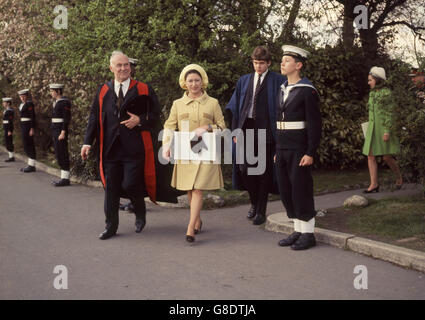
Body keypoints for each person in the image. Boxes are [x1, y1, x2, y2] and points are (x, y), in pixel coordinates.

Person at [81, 51, 164, 240]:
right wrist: (87, 142)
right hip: (110, 148)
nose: (123, 68)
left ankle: (140, 211)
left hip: (134, 148)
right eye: (119, 65)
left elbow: (157, 116)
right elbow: (94, 117)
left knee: (130, 183)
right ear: (111, 68)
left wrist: (140, 120)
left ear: (130, 67)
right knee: (111, 188)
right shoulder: (103, 90)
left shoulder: (143, 89)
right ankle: (110, 226)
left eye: (126, 65)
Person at [162, 64, 226, 242]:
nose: (194, 84)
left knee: (197, 188)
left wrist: (207, 127)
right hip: (185, 150)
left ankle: (190, 228)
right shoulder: (177, 104)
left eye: (197, 80)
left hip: (206, 151)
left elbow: (222, 127)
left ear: (202, 81)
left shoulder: (212, 103)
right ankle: (197, 220)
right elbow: (169, 126)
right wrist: (166, 145)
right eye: (190, 81)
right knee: (190, 189)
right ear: (185, 82)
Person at [225, 46, 285, 225]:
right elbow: (235, 108)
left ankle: (261, 210)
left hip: (266, 130)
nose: (258, 67)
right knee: (244, 170)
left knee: (264, 172)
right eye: (255, 63)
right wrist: (235, 130)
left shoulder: (278, 80)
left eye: (261, 63)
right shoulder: (244, 80)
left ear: (268, 63)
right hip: (246, 129)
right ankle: (253, 202)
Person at [275, 45, 322, 250]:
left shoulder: (307, 91)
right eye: (282, 59)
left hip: (299, 149)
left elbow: (314, 124)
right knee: (286, 190)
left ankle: (308, 233)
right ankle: (297, 229)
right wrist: (277, 150)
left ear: (299, 65)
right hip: (283, 148)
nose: (282, 63)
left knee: (301, 188)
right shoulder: (282, 88)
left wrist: (310, 152)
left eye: (287, 60)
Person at [362, 66, 402, 192]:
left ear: (378, 80)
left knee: (387, 157)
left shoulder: (387, 93)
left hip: (383, 129)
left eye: (370, 80)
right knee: (370, 156)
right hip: (372, 129)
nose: (368, 83)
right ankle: (374, 184)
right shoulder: (372, 93)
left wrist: (387, 131)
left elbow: (390, 113)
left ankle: (399, 177)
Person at [119, 57, 139, 213]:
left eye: (129, 66)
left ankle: (135, 202)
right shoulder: (118, 87)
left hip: (135, 139)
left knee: (133, 178)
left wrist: (139, 121)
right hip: (118, 140)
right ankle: (132, 201)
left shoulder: (140, 89)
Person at [49, 84, 72, 187]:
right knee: (58, 152)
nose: (51, 93)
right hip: (55, 129)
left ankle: (65, 179)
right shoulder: (56, 102)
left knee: (62, 152)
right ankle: (63, 177)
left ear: (58, 91)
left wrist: (63, 132)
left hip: (60, 131)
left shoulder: (64, 102)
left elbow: (66, 119)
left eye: (52, 91)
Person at [17, 89, 37, 172]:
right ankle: (30, 164)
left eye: (24, 96)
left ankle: (32, 165)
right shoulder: (21, 105)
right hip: (23, 126)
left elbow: (32, 116)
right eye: (21, 96)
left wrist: (32, 128)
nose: (22, 98)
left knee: (29, 144)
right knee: (26, 145)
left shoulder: (29, 104)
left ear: (27, 96)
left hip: (28, 126)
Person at [2, 97, 15, 162]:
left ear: (8, 103)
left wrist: (9, 130)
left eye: (4, 102)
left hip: (8, 128)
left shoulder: (10, 111)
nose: (3, 103)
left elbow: (10, 121)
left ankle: (11, 157)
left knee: (9, 142)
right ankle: (11, 156)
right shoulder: (6, 110)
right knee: (7, 142)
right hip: (6, 128)